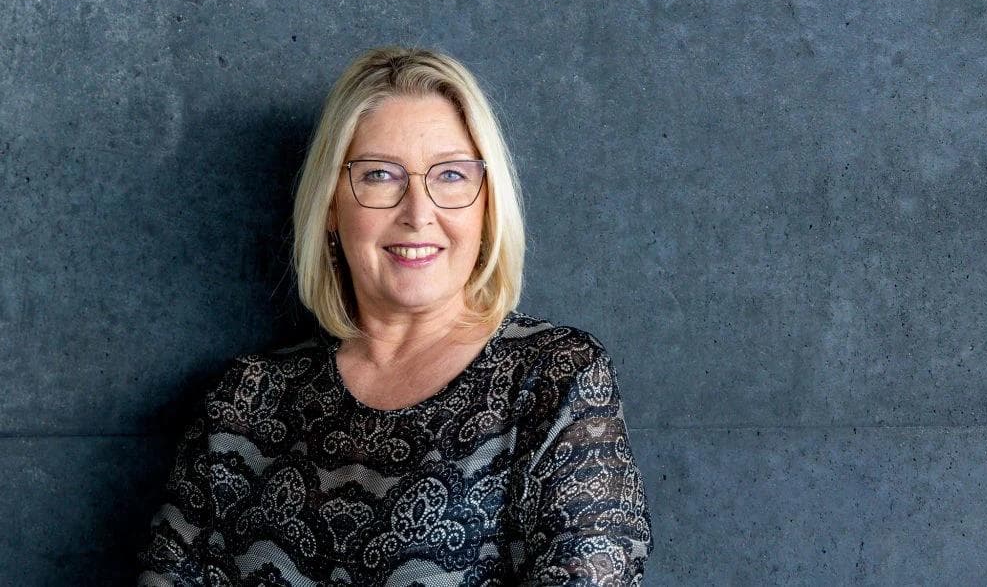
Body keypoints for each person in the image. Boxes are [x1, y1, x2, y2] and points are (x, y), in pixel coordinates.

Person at [137, 46, 653, 586]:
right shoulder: (247, 396)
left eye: (451, 175)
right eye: (381, 175)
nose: (418, 212)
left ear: (487, 204)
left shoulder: (551, 378)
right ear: (332, 204)